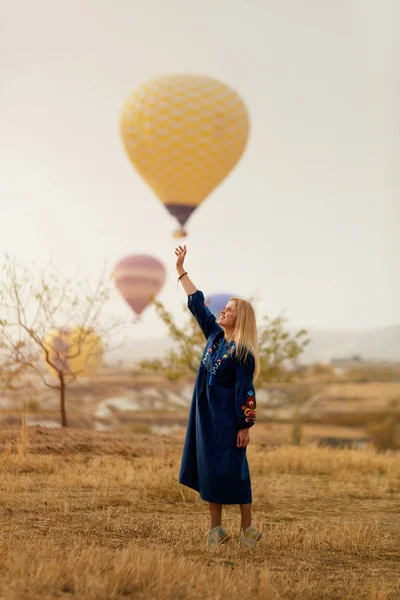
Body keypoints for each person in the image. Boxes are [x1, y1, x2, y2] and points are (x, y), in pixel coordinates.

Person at [175, 245, 262, 548]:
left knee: (236, 473)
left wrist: (245, 426)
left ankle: (248, 530)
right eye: (224, 307)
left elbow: (246, 392)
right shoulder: (213, 336)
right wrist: (181, 272)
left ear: (241, 319)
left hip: (228, 421)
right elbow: (197, 304)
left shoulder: (242, 353)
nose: (223, 309)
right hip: (205, 419)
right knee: (210, 470)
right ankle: (216, 531)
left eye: (230, 308)